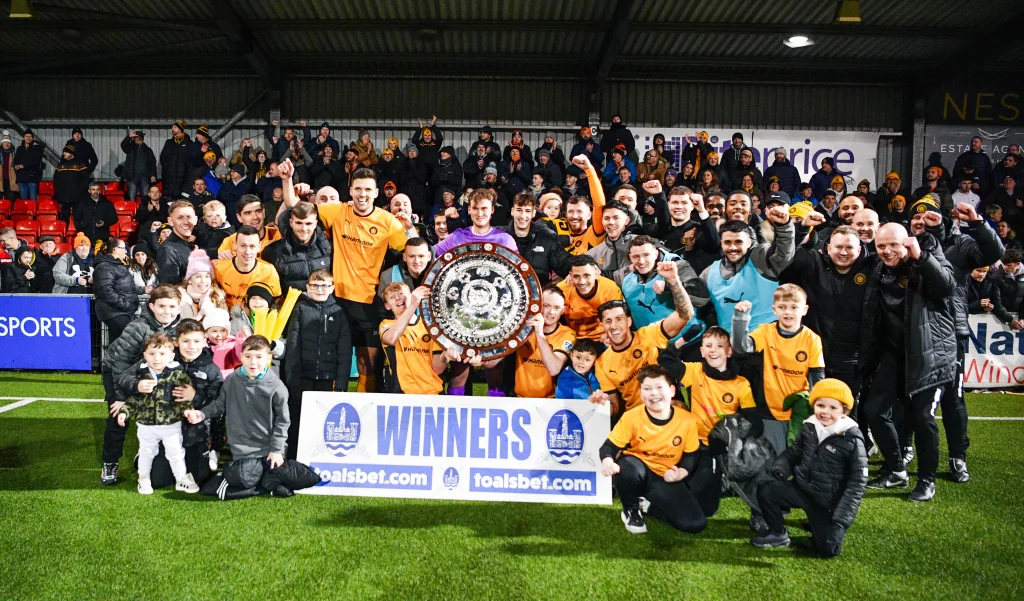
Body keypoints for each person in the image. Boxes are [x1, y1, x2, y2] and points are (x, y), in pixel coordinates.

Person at [279, 160, 407, 393]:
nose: (362, 194)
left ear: (376, 193)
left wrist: (410, 226)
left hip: (369, 302)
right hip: (337, 300)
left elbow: (412, 252)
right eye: (358, 188)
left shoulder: (388, 222)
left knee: (367, 365)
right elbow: (295, 207)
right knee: (332, 361)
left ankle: (363, 417)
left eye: (368, 189)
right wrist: (287, 179)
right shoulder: (338, 211)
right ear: (350, 191)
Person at [860, 223, 956, 502]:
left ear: (907, 242)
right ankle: (895, 469)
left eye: (893, 245)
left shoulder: (926, 255)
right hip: (894, 354)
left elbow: (946, 287)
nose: (887, 251)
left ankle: (927, 480)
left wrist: (922, 258)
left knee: (922, 418)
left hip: (929, 353)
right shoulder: (878, 268)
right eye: (881, 246)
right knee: (874, 409)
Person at [751, 379, 867, 557]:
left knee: (828, 550)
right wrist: (781, 467)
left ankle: (821, 526)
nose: (825, 412)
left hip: (827, 501)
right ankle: (777, 533)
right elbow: (794, 453)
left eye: (833, 408)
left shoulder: (851, 438)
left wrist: (840, 521)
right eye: (820, 405)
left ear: (844, 410)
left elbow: (857, 484)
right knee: (767, 490)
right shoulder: (810, 426)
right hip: (802, 489)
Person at [600, 365, 705, 535]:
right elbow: (609, 447)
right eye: (647, 389)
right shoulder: (631, 417)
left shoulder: (687, 420)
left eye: (659, 387)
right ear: (641, 393)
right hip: (638, 470)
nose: (654, 393)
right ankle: (631, 510)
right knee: (626, 466)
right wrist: (607, 460)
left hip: (665, 476)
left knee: (694, 524)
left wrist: (682, 473)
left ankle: (647, 506)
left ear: (672, 391)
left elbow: (691, 454)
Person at [100, 284, 183, 485]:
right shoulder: (137, 327)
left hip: (151, 377)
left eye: (172, 307)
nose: (167, 312)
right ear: (152, 306)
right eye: (162, 306)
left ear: (180, 308)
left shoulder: (180, 328)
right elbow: (120, 364)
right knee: (118, 416)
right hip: (118, 373)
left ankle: (148, 454)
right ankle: (110, 463)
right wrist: (121, 397)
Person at [589, 262, 694, 415]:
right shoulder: (602, 363)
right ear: (602, 326)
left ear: (629, 321)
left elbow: (685, 315)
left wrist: (673, 281)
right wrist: (601, 405)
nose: (613, 325)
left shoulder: (650, 334)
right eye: (608, 321)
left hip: (666, 406)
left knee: (677, 406)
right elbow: (614, 407)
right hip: (636, 418)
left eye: (619, 319)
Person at [732, 284, 825, 453]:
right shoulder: (766, 331)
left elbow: (817, 377)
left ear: (804, 310)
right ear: (774, 310)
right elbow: (741, 347)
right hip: (771, 410)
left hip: (799, 410)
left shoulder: (812, 339)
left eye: (793, 307)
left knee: (800, 456)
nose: (788, 312)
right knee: (776, 458)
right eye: (782, 307)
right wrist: (740, 318)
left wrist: (817, 409)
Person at [184, 335, 291, 479]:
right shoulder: (233, 379)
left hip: (269, 450)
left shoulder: (277, 387)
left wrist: (276, 450)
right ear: (241, 357)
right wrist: (201, 414)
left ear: (268, 358)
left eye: (259, 357)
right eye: (248, 356)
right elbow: (220, 405)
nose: (253, 362)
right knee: (243, 479)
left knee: (277, 483)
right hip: (241, 451)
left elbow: (283, 421)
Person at [114, 332, 200, 495]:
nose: (157, 358)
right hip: (146, 426)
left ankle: (181, 479)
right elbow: (134, 399)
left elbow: (183, 398)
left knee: (176, 452)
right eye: (152, 353)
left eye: (162, 353)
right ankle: (143, 478)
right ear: (145, 355)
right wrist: (124, 412)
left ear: (171, 356)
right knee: (146, 452)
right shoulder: (141, 375)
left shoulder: (178, 375)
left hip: (171, 425)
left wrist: (188, 410)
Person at [282, 270, 352, 459]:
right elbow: (293, 345)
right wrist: (291, 378)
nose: (320, 289)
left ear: (332, 288)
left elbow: (344, 349)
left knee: (322, 420)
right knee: (297, 418)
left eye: (324, 285)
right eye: (315, 285)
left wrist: (342, 383)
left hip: (327, 378)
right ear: (307, 287)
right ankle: (293, 457)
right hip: (303, 375)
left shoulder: (339, 313)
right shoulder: (300, 309)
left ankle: (319, 458)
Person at [702, 201, 796, 335]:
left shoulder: (760, 258)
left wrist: (784, 226)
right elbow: (706, 310)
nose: (733, 248)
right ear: (721, 243)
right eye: (727, 242)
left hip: (769, 340)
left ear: (749, 242)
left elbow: (783, 254)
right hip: (731, 345)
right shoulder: (708, 273)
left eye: (739, 242)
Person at [379, 282, 447, 395]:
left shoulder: (430, 326)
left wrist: (446, 357)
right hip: (401, 394)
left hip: (433, 393)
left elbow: (437, 369)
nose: (397, 298)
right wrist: (413, 305)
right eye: (391, 297)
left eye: (401, 294)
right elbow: (391, 339)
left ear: (411, 296)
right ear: (387, 306)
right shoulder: (387, 325)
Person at [514, 286, 576, 398]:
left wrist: (539, 333)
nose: (551, 312)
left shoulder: (567, 334)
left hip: (550, 402)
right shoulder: (523, 328)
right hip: (519, 399)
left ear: (562, 311)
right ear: (537, 305)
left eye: (557, 308)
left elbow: (554, 369)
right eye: (546, 306)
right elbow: (492, 364)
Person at [263, 200, 332, 296]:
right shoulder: (273, 252)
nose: (303, 229)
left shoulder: (328, 248)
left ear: (315, 224)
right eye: (299, 223)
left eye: (308, 224)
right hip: (291, 308)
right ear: (291, 223)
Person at [557, 255, 624, 341]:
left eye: (586, 275)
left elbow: (619, 319)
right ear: (570, 275)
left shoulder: (610, 288)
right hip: (573, 338)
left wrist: (609, 336)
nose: (582, 281)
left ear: (596, 273)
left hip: (604, 337)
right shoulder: (561, 291)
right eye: (576, 276)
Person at [213, 225, 282, 310]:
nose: (247, 252)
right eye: (243, 246)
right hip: (227, 318)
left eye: (252, 246)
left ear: (259, 247)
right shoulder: (219, 269)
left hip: (256, 318)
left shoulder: (268, 271)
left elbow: (276, 302)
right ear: (235, 245)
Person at [435, 188, 517, 253]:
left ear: (492, 210)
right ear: (469, 210)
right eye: (475, 208)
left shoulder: (505, 240)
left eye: (484, 208)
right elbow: (430, 253)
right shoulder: (457, 236)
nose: (480, 214)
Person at [93, 238, 140, 343]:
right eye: (124, 248)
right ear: (115, 249)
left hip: (120, 312)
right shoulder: (105, 266)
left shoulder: (116, 265)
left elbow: (126, 286)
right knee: (127, 342)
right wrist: (126, 305)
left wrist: (143, 290)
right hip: (115, 312)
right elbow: (106, 291)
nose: (126, 251)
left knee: (118, 343)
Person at [217, 195, 282, 258]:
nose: (255, 217)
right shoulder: (230, 242)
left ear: (264, 213)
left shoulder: (278, 235)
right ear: (239, 217)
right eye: (248, 213)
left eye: (258, 211)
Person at [156, 200, 199, 284]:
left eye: (189, 217)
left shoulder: (192, 245)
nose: (186, 222)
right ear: (170, 221)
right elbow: (169, 289)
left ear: (195, 220)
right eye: (180, 218)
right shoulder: (168, 250)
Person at [53, 144, 89, 221]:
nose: (64, 153)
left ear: (71, 153)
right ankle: (64, 232)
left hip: (77, 197)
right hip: (64, 197)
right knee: (64, 217)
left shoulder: (80, 164)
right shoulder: (60, 165)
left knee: (77, 217)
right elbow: (56, 180)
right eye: (64, 152)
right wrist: (59, 192)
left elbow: (85, 180)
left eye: (66, 152)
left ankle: (79, 232)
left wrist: (80, 192)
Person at [160, 120, 194, 200]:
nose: (172, 128)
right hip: (169, 181)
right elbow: (162, 157)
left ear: (180, 129)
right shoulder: (168, 143)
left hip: (183, 181)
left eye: (174, 127)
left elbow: (190, 162)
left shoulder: (189, 144)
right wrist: (167, 168)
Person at [121, 130, 158, 201]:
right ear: (134, 138)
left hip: (145, 178)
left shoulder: (148, 150)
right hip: (132, 177)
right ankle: (133, 212)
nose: (139, 138)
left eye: (140, 137)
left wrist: (153, 175)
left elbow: (153, 163)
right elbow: (123, 145)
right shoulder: (130, 148)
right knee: (132, 198)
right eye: (137, 137)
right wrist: (129, 137)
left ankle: (144, 212)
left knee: (146, 198)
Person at [13, 129, 44, 201]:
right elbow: (16, 160)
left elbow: (37, 161)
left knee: (33, 200)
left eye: (30, 136)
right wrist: (15, 166)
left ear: (32, 138)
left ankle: (33, 212)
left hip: (32, 178)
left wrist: (23, 166)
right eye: (26, 136)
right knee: (24, 202)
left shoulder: (36, 148)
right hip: (21, 178)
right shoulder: (19, 149)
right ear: (23, 137)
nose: (28, 138)